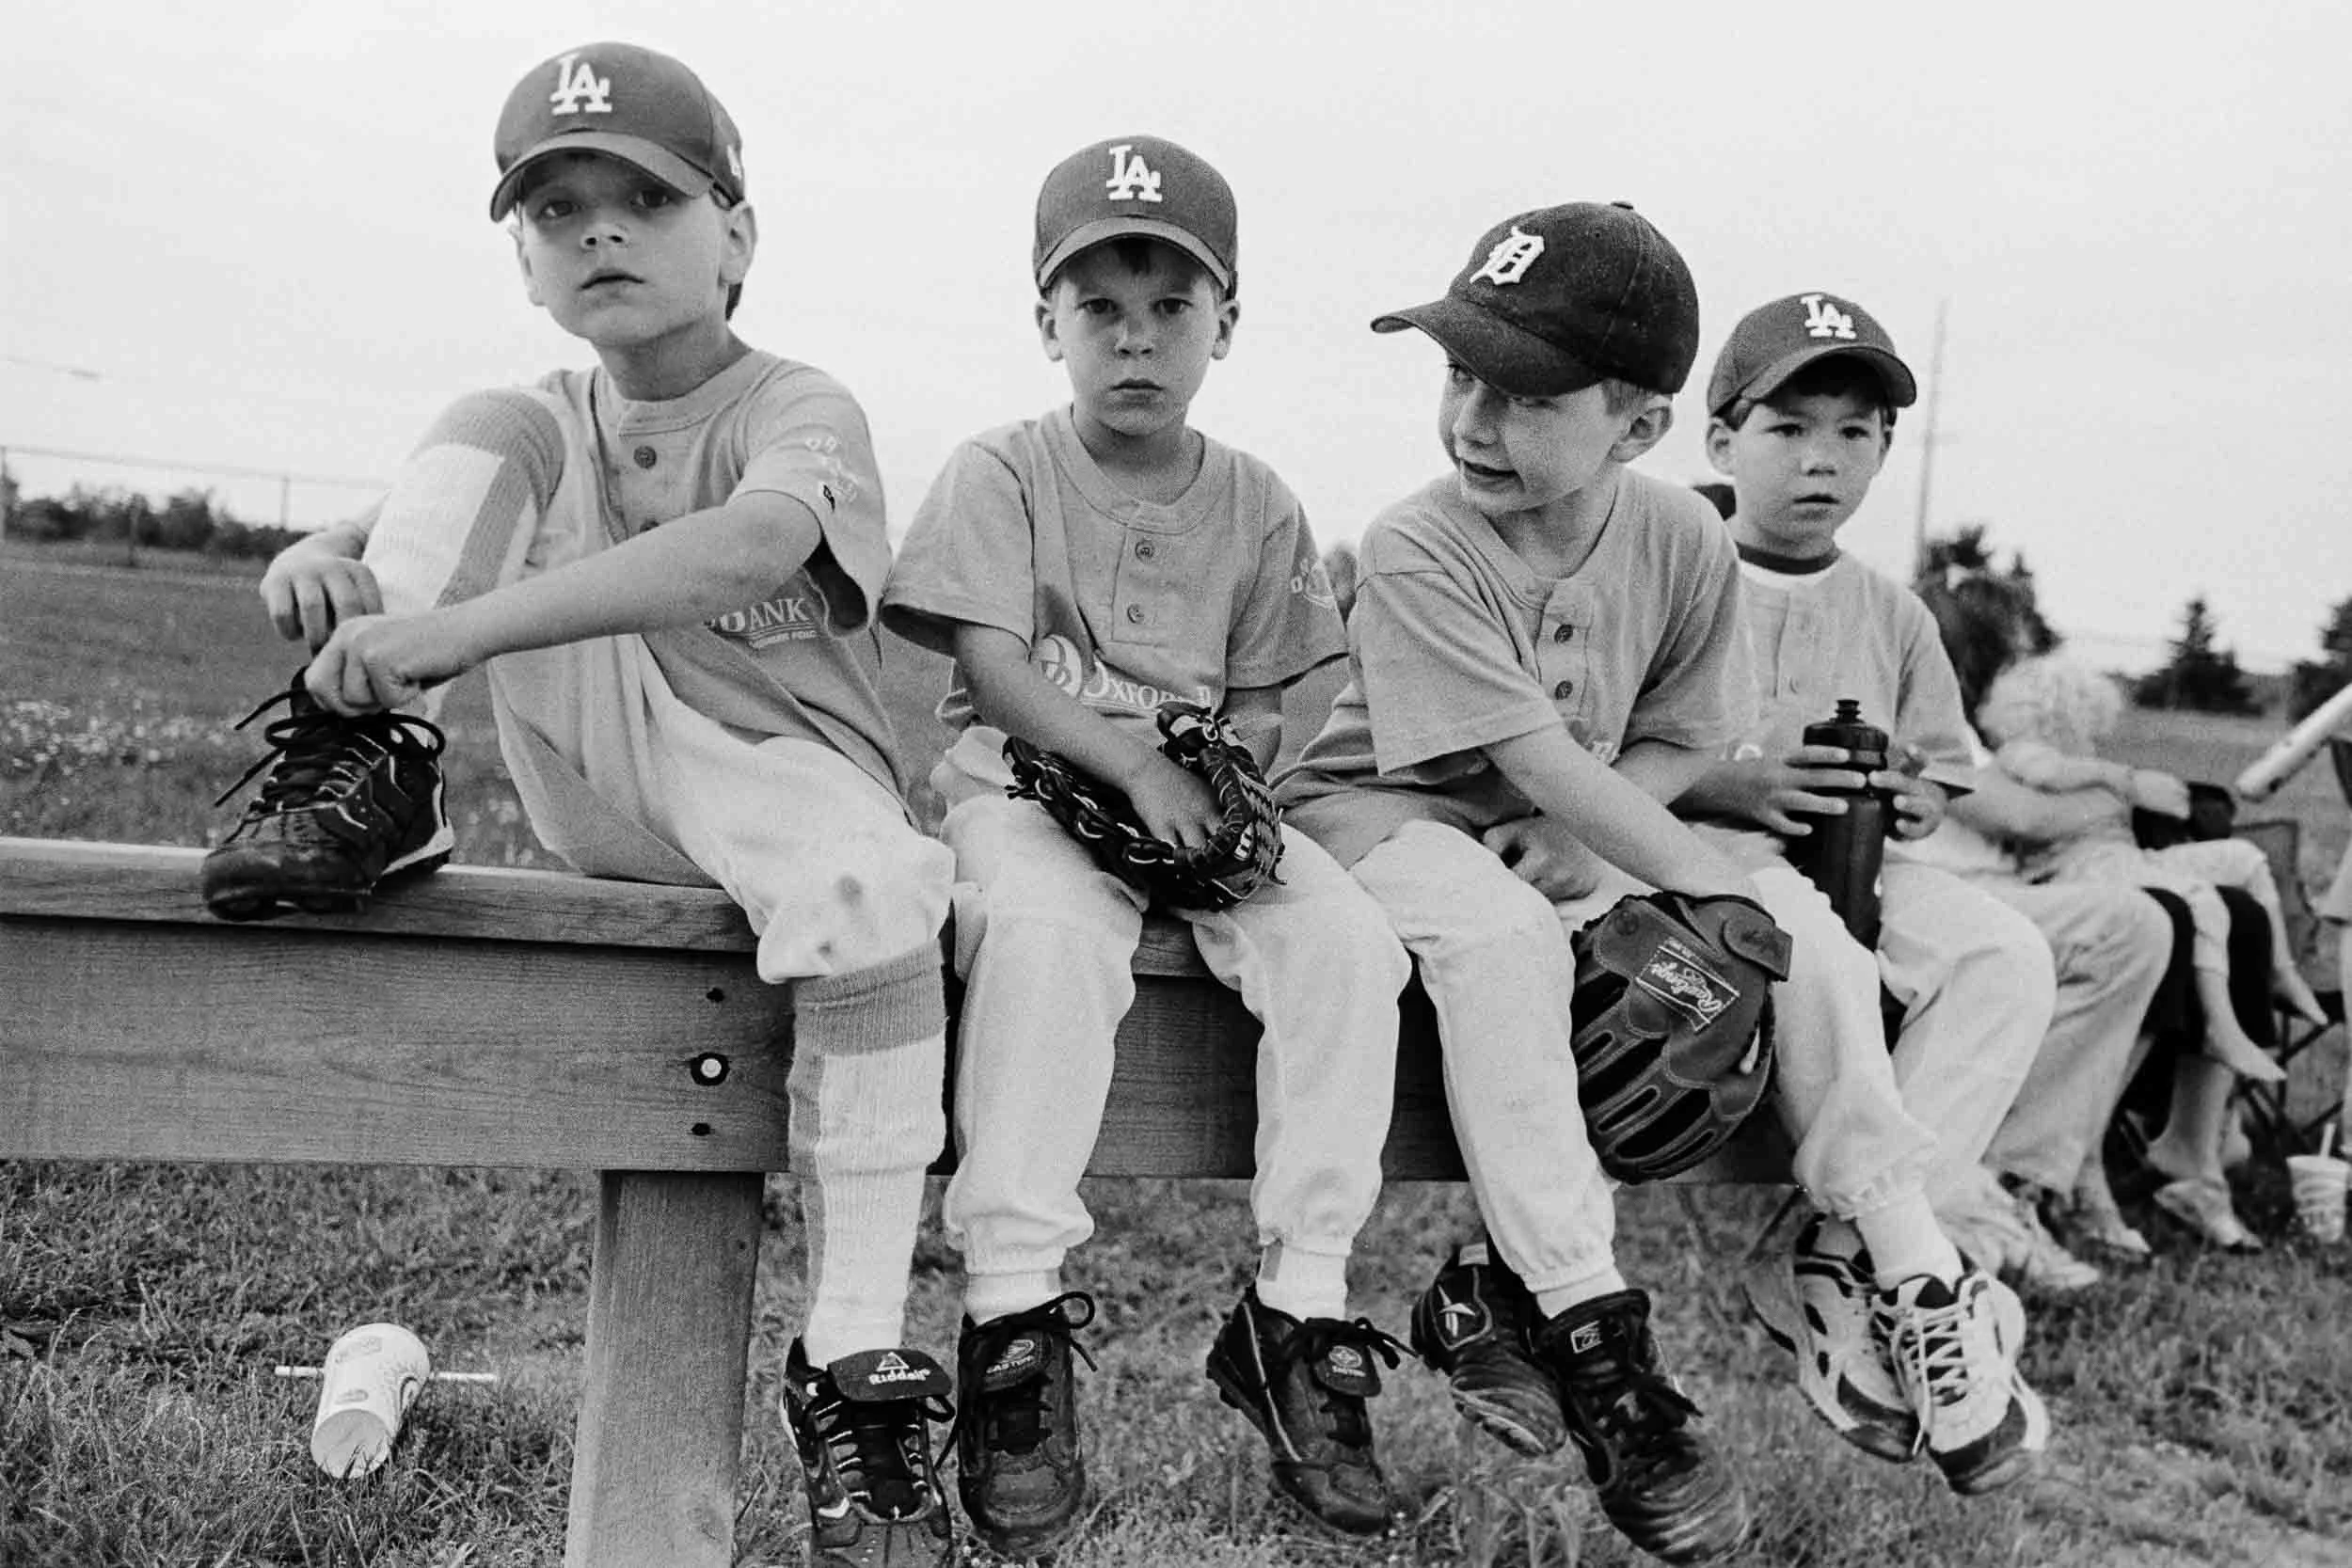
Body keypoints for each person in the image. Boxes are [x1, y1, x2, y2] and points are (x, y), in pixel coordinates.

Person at [198, 44, 964, 1565]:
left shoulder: (796, 399)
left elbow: (749, 547)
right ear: (526, 259)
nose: (599, 228)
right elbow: (433, 516)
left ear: (737, 235)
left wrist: (454, 625)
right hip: (604, 781)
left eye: (648, 198)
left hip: (783, 785)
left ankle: (855, 1355)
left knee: (879, 892)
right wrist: (333, 559)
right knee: (493, 426)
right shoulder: (539, 416)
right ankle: (382, 763)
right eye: (556, 208)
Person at [1278, 210, 2037, 1568]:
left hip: (1567, 825)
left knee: (1807, 931)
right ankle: (1591, 1331)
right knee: (1512, 940)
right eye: (1460, 375)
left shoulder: (1682, 536)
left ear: (1637, 427)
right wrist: (1664, 867)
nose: (1473, 419)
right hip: (1384, 817)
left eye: (1526, 396)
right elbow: (1532, 765)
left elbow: (1684, 736)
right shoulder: (1416, 541)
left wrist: (1650, 864)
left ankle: (1906, 1253)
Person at [880, 135, 1414, 1556]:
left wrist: (1229, 787)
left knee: (1350, 944)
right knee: (1050, 937)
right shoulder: (1003, 466)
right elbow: (993, 667)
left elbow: (1268, 690)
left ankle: (1298, 1303)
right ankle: (1010, 1315)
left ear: (1223, 325)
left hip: (1185, 804)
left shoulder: (1258, 496)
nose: (1135, 337)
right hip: (1027, 790)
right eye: (1099, 306)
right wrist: (1128, 762)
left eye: (1172, 306)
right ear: (1044, 320)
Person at [1667, 290, 2054, 1491]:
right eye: (1787, 428)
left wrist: (1914, 792)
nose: (1820, 460)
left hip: (1860, 861)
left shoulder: (1892, 610)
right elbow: (1608, 748)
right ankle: (1912, 1263)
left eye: (1853, 433)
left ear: (1884, 450)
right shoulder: (1673, 564)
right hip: (1705, 859)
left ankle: (1837, 1254)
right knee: (1810, 946)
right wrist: (1733, 778)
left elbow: (1940, 770)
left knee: (2005, 953)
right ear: (1721, 440)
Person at [1975, 651, 2328, 1082]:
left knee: (2245, 858)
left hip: (2124, 859)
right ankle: (2219, 1026)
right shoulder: (2021, 752)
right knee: (2201, 900)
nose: (2094, 735)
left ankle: (2284, 972)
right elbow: (2051, 774)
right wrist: (2126, 780)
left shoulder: (2078, 760)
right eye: (2089, 721)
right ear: (2063, 714)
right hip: (2082, 869)